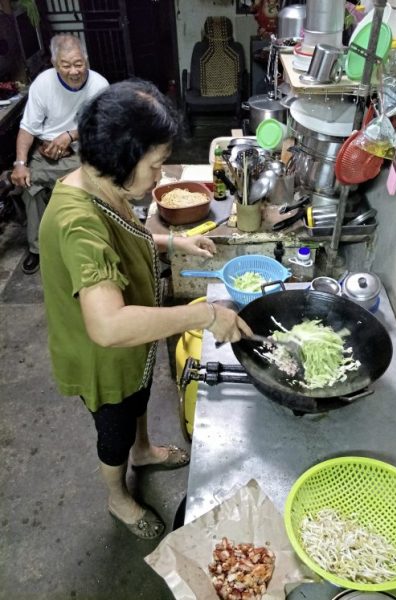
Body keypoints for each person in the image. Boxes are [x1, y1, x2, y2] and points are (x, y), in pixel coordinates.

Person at [39, 79, 252, 540]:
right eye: (155, 165)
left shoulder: (101, 184)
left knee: (139, 398)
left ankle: (144, 451)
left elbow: (122, 237)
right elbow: (108, 325)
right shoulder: (78, 223)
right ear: (122, 157)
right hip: (104, 356)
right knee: (114, 429)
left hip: (132, 344)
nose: (160, 177)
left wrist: (172, 241)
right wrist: (204, 315)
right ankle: (118, 497)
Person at [11, 34, 109, 274]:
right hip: (46, 149)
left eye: (78, 64)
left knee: (96, 181)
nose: (74, 71)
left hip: (82, 148)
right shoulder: (43, 84)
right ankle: (38, 249)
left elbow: (102, 125)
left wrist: (70, 136)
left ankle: (94, 240)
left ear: (86, 60)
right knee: (28, 183)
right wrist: (20, 163)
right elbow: (27, 128)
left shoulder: (99, 85)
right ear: (55, 64)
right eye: (66, 65)